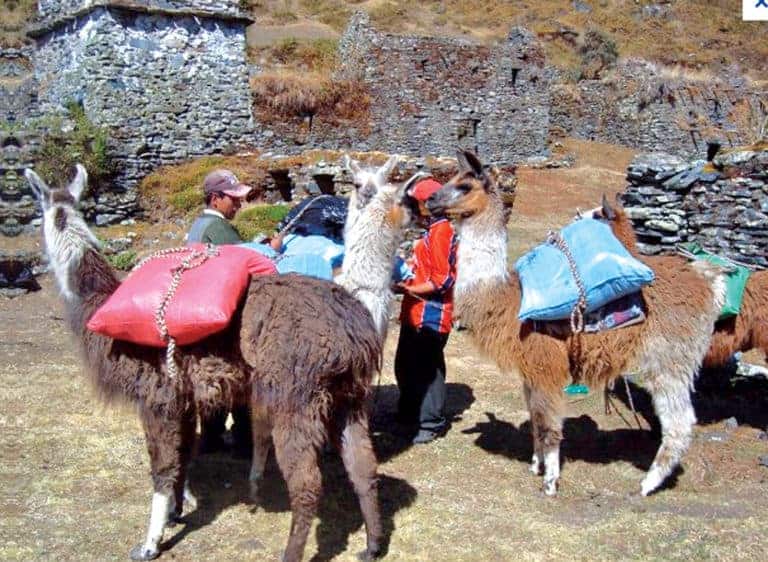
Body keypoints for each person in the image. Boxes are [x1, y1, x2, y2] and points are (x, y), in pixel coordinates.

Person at [186, 168, 253, 456]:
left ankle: (211, 437)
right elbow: (243, 263)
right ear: (216, 199)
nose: (238, 204)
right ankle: (245, 442)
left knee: (213, 375)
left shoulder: (199, 225)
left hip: (204, 311)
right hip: (224, 314)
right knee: (240, 375)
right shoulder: (219, 229)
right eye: (233, 199)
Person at [394, 177, 458, 444]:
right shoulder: (431, 232)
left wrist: (409, 288)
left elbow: (443, 280)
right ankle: (409, 414)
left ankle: (430, 422)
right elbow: (424, 269)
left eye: (415, 204)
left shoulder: (442, 232)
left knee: (428, 369)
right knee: (405, 364)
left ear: (426, 205)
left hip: (431, 313)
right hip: (414, 311)